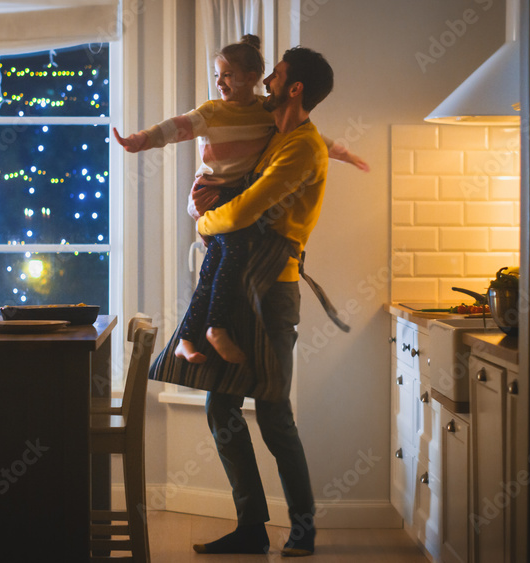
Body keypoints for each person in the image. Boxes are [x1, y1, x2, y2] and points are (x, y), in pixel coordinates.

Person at [114, 35, 366, 366]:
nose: (220, 82)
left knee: (219, 258)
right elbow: (177, 127)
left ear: (258, 80)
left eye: (227, 75)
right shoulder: (218, 113)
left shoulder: (275, 123)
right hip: (216, 197)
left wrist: (345, 153)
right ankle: (206, 332)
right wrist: (142, 139)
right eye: (217, 75)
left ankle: (192, 336)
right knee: (224, 255)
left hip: (253, 239)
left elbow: (317, 140)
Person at [181, 46, 340, 557]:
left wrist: (202, 222)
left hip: (274, 293)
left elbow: (245, 209)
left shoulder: (302, 149)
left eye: (275, 76)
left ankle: (304, 529)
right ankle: (251, 526)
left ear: (294, 88)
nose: (265, 82)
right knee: (220, 402)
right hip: (243, 284)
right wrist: (199, 193)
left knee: (272, 414)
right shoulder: (276, 136)